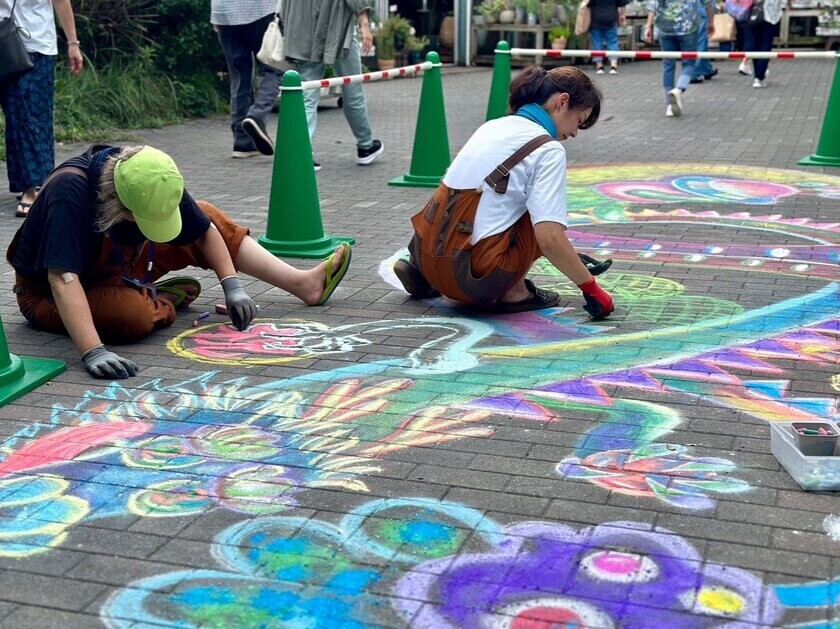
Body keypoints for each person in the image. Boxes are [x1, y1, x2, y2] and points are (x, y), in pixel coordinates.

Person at [6, 144, 352, 379]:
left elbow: (204, 231)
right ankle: (159, 299)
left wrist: (232, 286)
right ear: (117, 207)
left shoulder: (149, 173)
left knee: (205, 214)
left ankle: (303, 283)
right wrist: (92, 351)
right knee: (132, 318)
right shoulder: (71, 193)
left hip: (118, 264)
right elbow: (62, 277)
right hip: (51, 293)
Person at [392, 67, 614, 320]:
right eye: (580, 120)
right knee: (540, 212)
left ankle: (423, 271)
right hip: (475, 280)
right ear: (562, 102)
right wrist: (591, 288)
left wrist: (571, 258)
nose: (575, 132)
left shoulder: (491, 127)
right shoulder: (548, 149)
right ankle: (515, 293)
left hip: (429, 254)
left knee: (478, 197)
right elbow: (549, 238)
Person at [0, 0, 83, 218]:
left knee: (31, 117)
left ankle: (32, 187)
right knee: (15, 115)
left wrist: (73, 43)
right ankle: (26, 180)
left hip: (36, 45)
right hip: (3, 43)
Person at [280, 0, 384, 171]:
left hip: (304, 33)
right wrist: (364, 25)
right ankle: (365, 146)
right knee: (352, 91)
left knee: (308, 96)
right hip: (338, 32)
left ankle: (301, 153)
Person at [211, 0, 285, 158]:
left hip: (225, 13)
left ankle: (243, 143)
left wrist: (215, 15)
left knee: (239, 77)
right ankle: (257, 116)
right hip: (264, 10)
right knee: (275, 68)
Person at [644, 0, 714, 117]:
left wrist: (648, 26)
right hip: (688, 26)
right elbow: (708, 3)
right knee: (689, 63)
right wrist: (711, 22)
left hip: (665, 26)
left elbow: (653, 4)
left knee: (668, 64)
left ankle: (669, 106)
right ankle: (679, 89)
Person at [744, 0, 786, 88]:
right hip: (770, 14)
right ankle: (759, 76)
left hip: (753, 13)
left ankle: (758, 75)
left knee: (756, 46)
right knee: (765, 45)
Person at [588, 0, 628, 75]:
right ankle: (613, 65)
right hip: (611, 19)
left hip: (596, 19)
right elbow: (622, 4)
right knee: (612, 42)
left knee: (597, 43)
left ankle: (599, 66)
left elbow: (588, 4)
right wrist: (623, 15)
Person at [692, 0, 718, 83]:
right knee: (701, 43)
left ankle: (706, 69)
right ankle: (694, 73)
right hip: (700, 11)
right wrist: (711, 21)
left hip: (686, 13)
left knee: (701, 42)